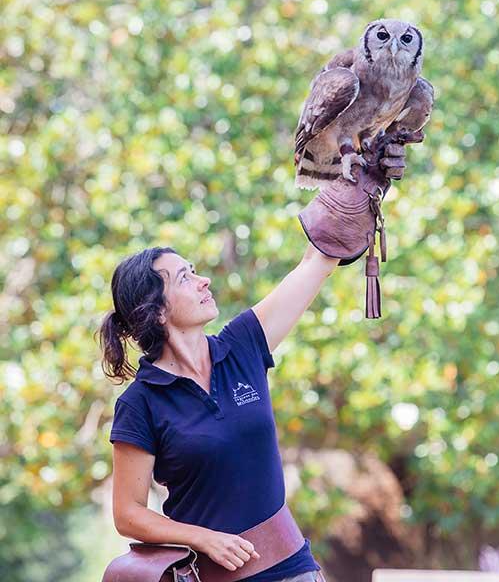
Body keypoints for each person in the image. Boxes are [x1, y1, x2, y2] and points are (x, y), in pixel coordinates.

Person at [99, 243, 338, 582]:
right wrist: (202, 537)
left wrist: (351, 200)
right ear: (157, 312)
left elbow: (316, 263)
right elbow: (128, 514)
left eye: (194, 270)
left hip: (293, 569)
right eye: (185, 278)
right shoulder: (140, 403)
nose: (204, 280)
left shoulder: (243, 345)